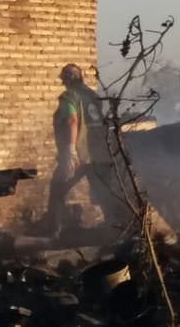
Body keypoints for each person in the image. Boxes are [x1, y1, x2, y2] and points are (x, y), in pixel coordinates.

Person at [46, 64, 125, 238]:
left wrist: (70, 150)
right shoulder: (93, 95)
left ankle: (53, 232)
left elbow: (72, 121)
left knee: (58, 188)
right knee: (104, 192)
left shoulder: (69, 97)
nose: (63, 83)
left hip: (80, 154)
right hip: (101, 154)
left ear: (68, 79)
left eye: (64, 80)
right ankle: (114, 228)